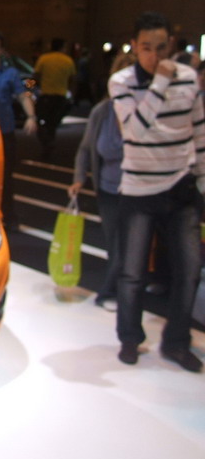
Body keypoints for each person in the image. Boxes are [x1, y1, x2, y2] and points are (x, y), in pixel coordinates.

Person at [110, 11, 204, 372]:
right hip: (139, 190)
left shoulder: (189, 78)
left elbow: (199, 130)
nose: (154, 55)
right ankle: (130, 338)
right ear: (134, 46)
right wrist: (161, 82)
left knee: (188, 270)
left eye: (161, 48)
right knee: (132, 272)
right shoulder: (121, 82)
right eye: (146, 47)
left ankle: (176, 342)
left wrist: (202, 180)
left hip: (181, 186)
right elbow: (136, 130)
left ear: (171, 45)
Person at [68, 52, 135, 311]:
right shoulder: (102, 112)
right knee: (117, 243)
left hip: (139, 190)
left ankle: (113, 290)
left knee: (129, 243)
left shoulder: (145, 111)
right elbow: (85, 149)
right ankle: (113, 291)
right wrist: (79, 178)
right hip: (108, 189)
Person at [0, 33, 37, 232]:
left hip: (4, 132)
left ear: (1, 51)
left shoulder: (10, 73)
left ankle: (8, 216)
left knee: (6, 177)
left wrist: (31, 116)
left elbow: (22, 95)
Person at [33, 38, 76, 159]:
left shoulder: (44, 59)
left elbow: (35, 75)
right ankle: (50, 141)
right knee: (53, 123)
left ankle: (46, 143)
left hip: (46, 95)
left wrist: (33, 86)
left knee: (41, 121)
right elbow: (72, 79)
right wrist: (71, 94)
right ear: (63, 47)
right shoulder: (68, 61)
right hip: (61, 97)